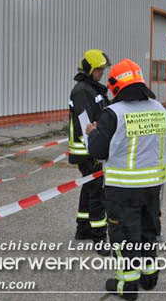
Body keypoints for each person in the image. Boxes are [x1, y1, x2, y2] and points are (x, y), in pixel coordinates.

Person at [86, 59, 166, 301]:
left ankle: (127, 285)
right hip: (152, 185)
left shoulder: (113, 113)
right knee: (148, 230)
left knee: (124, 236)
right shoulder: (158, 108)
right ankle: (149, 276)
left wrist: (91, 134)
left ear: (115, 85)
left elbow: (97, 152)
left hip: (122, 188)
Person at [68, 49, 110, 254]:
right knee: (97, 193)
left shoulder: (92, 89)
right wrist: (95, 150)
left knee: (88, 187)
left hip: (89, 149)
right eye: (99, 69)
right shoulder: (83, 91)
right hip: (87, 151)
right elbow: (85, 122)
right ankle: (98, 237)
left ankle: (83, 228)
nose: (102, 73)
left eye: (102, 69)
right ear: (90, 69)